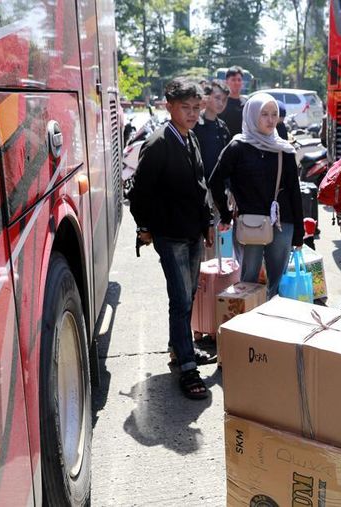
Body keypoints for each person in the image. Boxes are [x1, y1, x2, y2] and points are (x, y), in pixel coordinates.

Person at [129, 77, 216, 400]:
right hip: (170, 235)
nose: (192, 114)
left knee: (188, 297)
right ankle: (188, 368)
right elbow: (139, 193)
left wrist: (207, 221)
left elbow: (201, 183)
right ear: (170, 107)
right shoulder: (158, 143)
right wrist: (144, 227)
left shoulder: (189, 138)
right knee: (181, 301)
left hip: (192, 232)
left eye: (196, 108)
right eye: (186, 108)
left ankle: (178, 350)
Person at [210, 93, 304, 298]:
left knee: (276, 284)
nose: (271, 120)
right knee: (248, 282)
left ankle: (269, 326)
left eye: (274, 114)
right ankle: (246, 327)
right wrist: (226, 215)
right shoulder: (238, 147)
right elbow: (214, 180)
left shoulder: (284, 149)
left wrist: (299, 231)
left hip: (283, 222)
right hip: (250, 224)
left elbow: (294, 192)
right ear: (252, 115)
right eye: (264, 114)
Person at [193, 80, 231, 181]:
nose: (221, 103)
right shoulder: (194, 123)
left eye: (224, 100)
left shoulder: (222, 127)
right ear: (206, 97)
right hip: (197, 183)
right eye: (217, 98)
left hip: (218, 186)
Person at [219, 66, 247, 137]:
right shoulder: (221, 102)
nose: (237, 83)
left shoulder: (246, 102)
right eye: (233, 80)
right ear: (226, 82)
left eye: (239, 80)